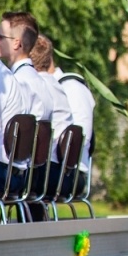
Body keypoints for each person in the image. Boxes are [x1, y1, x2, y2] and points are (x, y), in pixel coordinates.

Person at [0, 11, 54, 192]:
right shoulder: (40, 82)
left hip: (10, 170)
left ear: (17, 43)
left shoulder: (16, 82)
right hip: (25, 171)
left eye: (0, 37)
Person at [31, 34, 88, 196]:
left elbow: (84, 135)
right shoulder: (55, 86)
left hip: (62, 172)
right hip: (58, 170)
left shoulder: (68, 86)